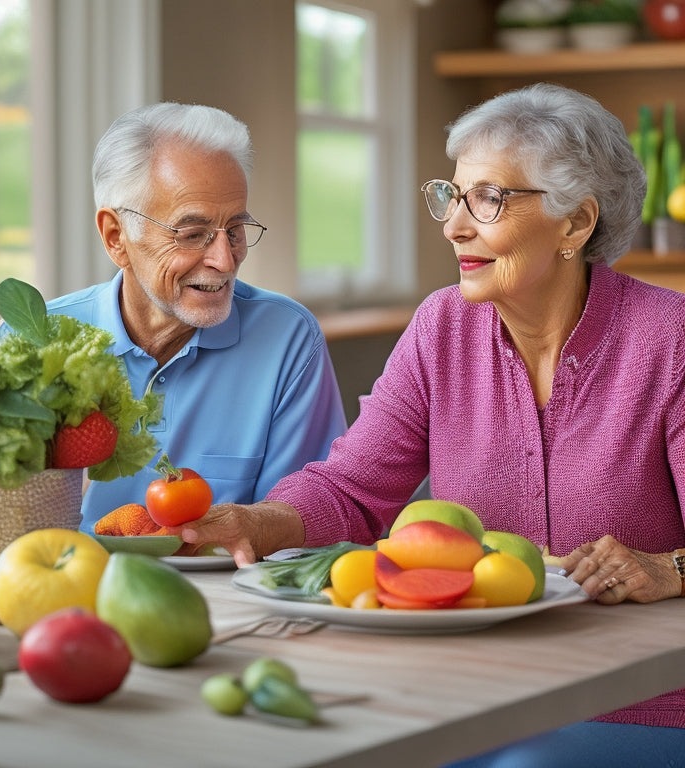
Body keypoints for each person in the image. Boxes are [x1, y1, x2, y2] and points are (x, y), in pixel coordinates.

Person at [173, 84, 685, 763]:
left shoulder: (668, 338)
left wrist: (669, 568)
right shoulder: (443, 326)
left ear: (575, 223)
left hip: (640, 704)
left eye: (490, 199)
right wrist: (252, 522)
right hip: (468, 690)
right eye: (452, 194)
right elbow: (355, 488)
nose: (454, 225)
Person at [41, 102, 347, 533]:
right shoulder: (36, 341)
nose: (224, 260)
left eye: (235, 231)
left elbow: (300, 529)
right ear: (117, 238)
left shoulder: (288, 339)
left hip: (228, 598)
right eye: (192, 235)